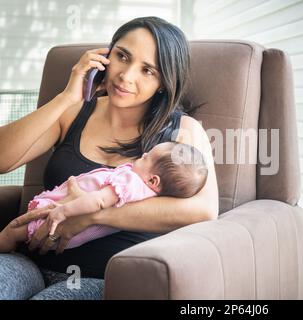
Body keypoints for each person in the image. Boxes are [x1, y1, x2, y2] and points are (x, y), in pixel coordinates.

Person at [0, 16, 218, 300]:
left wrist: (92, 216)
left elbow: (203, 210)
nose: (126, 76)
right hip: (32, 260)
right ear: (106, 55)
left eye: (147, 70)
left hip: (104, 277)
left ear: (164, 82)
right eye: (122, 56)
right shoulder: (74, 111)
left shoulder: (182, 131)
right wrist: (68, 96)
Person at [0, 141, 208, 253]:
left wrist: (63, 211)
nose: (142, 155)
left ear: (153, 181)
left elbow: (98, 200)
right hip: (67, 233)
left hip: (59, 219)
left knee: (13, 232)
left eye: (147, 157)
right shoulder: (144, 193)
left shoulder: (130, 183)